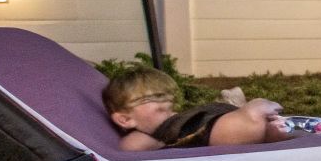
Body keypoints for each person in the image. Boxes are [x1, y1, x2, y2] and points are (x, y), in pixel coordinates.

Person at [104, 68, 289, 151]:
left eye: (165, 96)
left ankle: (236, 108)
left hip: (209, 122)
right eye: (152, 99)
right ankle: (254, 117)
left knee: (209, 115)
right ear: (125, 119)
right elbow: (130, 148)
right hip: (211, 131)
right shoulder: (137, 138)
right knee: (252, 116)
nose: (166, 102)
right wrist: (160, 145)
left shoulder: (170, 123)